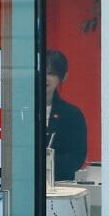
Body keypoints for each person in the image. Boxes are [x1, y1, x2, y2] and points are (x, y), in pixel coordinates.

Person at [46, 50, 89, 182]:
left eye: (52, 73)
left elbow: (77, 157)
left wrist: (45, 164)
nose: (45, 77)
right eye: (42, 71)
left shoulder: (72, 114)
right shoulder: (21, 111)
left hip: (61, 185)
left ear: (63, 77)